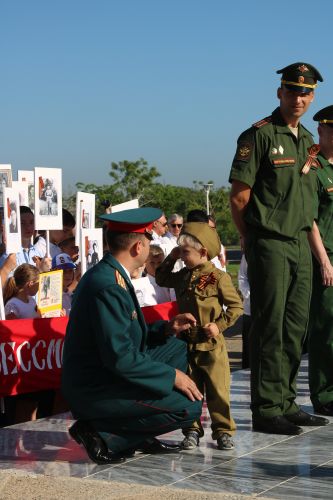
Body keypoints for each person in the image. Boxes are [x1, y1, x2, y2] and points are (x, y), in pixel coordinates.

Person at [229, 62, 329, 435]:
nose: (298, 98)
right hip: (270, 243)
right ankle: (267, 408)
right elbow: (239, 197)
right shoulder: (258, 136)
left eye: (305, 92)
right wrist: (251, 239)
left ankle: (286, 401)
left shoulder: (306, 141)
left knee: (295, 328)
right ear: (279, 93)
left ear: (313, 96)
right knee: (269, 327)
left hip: (301, 244)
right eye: (292, 91)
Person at [62, 207, 203, 465]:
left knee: (177, 348)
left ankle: (138, 432)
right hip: (96, 387)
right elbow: (120, 358)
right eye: (149, 239)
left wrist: (166, 329)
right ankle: (104, 434)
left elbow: (124, 336)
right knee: (188, 407)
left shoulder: (112, 274)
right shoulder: (108, 285)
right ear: (138, 247)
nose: (151, 245)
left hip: (107, 372)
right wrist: (171, 376)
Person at [156, 222, 243, 450]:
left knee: (218, 391)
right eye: (181, 252)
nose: (183, 257)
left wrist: (219, 325)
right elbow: (161, 279)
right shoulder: (183, 276)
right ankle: (192, 430)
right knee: (189, 391)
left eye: (186, 252)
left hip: (211, 344)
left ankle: (223, 431)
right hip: (187, 343)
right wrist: (172, 257)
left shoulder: (218, 277)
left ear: (203, 252)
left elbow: (236, 308)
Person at [307, 105, 333, 417]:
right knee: (326, 328)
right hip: (327, 256)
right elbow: (310, 220)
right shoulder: (314, 170)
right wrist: (325, 261)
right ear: (321, 132)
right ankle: (324, 393)